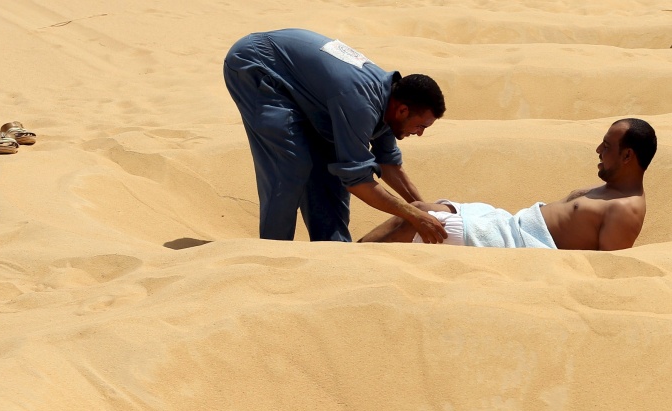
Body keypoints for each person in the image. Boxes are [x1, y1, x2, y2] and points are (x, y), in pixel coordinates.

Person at [223, 28, 448, 243]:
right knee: (292, 163)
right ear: (403, 110)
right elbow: (358, 182)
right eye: (420, 126)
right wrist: (412, 215)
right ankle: (274, 251)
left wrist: (424, 210)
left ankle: (333, 251)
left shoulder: (390, 104)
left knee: (330, 164)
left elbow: (388, 163)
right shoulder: (360, 104)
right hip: (257, 64)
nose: (419, 134)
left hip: (305, 88)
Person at [359, 118, 657, 251]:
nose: (598, 151)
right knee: (417, 208)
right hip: (506, 224)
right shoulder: (613, 192)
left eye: (606, 146)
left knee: (418, 222)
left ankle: (356, 266)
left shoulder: (625, 210)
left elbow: (607, 270)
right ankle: (351, 253)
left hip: (512, 245)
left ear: (628, 155)